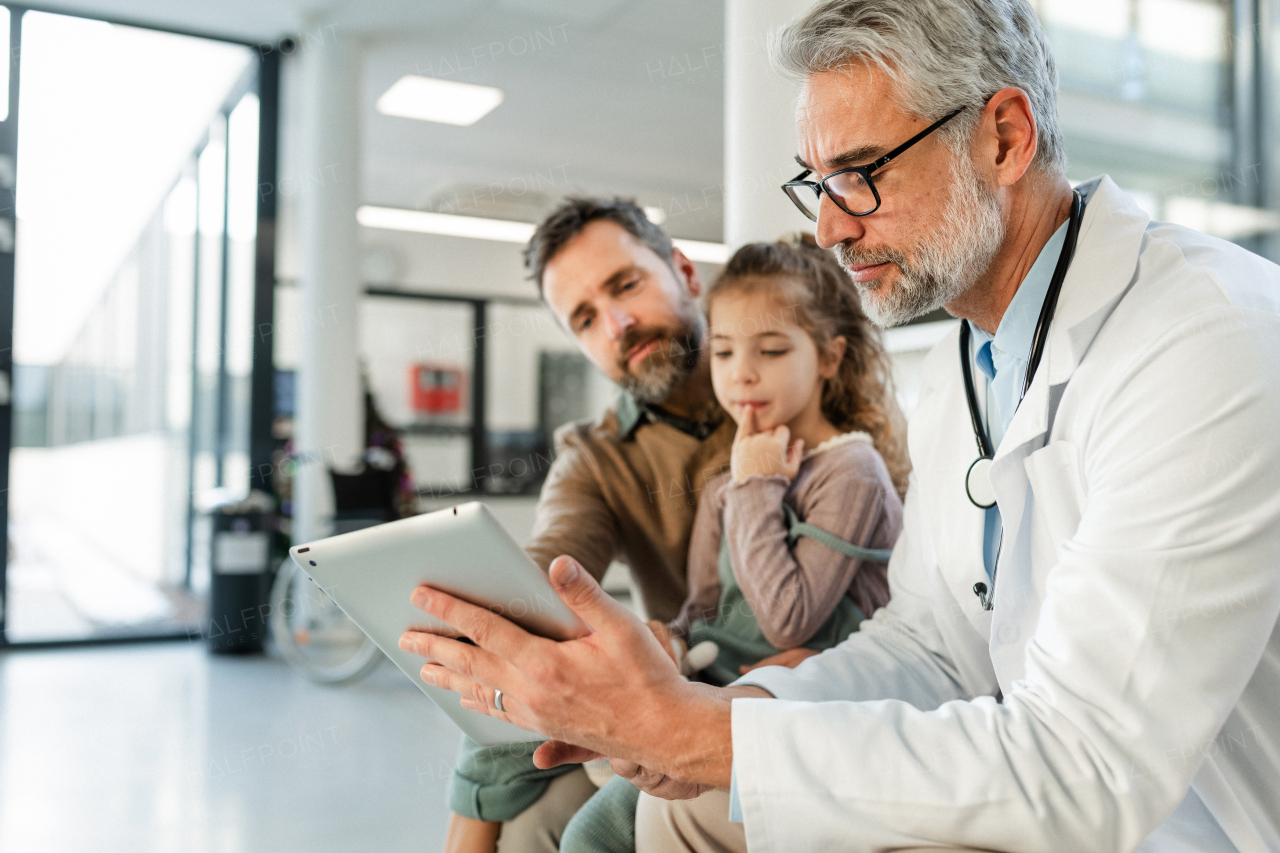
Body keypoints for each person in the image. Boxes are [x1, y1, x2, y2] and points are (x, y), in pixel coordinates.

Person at [403, 1, 1280, 850]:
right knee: (679, 811)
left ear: (1005, 137)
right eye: (817, 184)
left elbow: (1086, 769)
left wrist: (699, 736)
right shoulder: (969, 363)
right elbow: (930, 644)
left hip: (1182, 825)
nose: (826, 227)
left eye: (861, 174)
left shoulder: (1205, 336)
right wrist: (711, 718)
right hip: (1047, 790)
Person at [559, 235, 907, 853]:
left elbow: (785, 621)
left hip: (810, 709)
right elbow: (708, 607)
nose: (742, 372)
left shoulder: (849, 471)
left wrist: (758, 485)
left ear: (830, 357)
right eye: (722, 352)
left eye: (772, 350)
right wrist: (667, 641)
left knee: (598, 830)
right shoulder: (729, 479)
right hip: (717, 691)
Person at [441, 197, 740, 853]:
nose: (619, 323)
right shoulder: (595, 453)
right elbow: (548, 569)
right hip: (670, 699)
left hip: (791, 691)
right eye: (585, 318)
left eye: (625, 284)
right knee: (527, 825)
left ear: (685, 272)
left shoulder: (783, 383)